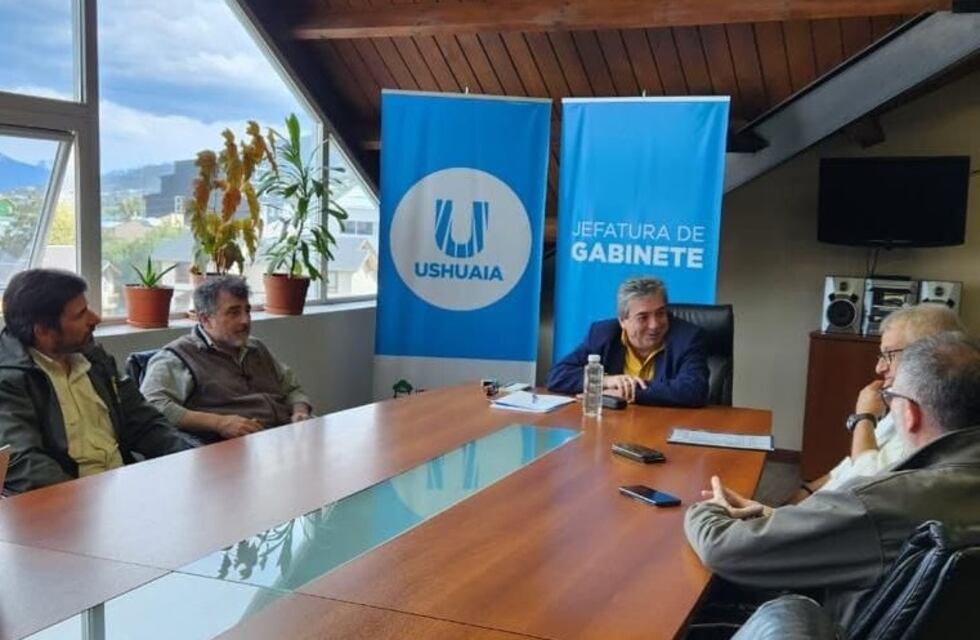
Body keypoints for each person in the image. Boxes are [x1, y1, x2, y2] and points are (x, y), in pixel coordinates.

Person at [684, 331, 980, 632]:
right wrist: (776, 517)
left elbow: (723, 548)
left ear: (910, 414)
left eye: (891, 399)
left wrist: (707, 508)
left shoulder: (883, 501)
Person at [0, 269, 195, 495]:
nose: (95, 319)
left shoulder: (93, 356)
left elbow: (144, 423)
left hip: (123, 487)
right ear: (43, 330)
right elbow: (23, 462)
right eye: (81, 314)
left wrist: (191, 461)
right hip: (69, 504)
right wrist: (86, 503)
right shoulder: (9, 379)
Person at [792, 305, 964, 502]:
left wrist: (863, 418)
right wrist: (806, 491)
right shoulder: (903, 400)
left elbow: (865, 482)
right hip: (817, 506)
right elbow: (850, 465)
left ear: (929, 356)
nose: (879, 367)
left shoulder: (930, 424)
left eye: (889, 355)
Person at [141, 275, 312, 444]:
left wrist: (300, 412)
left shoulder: (256, 347)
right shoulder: (179, 356)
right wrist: (219, 423)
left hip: (285, 440)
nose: (245, 320)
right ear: (205, 319)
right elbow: (152, 404)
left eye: (247, 310)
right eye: (234, 312)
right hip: (236, 453)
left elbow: (291, 389)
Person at [546, 276, 709, 406]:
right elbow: (557, 376)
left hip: (664, 426)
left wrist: (628, 392)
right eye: (643, 317)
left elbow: (694, 390)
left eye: (660, 313)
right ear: (623, 321)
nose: (655, 325)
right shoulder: (603, 334)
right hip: (613, 426)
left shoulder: (688, 337)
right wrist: (606, 381)